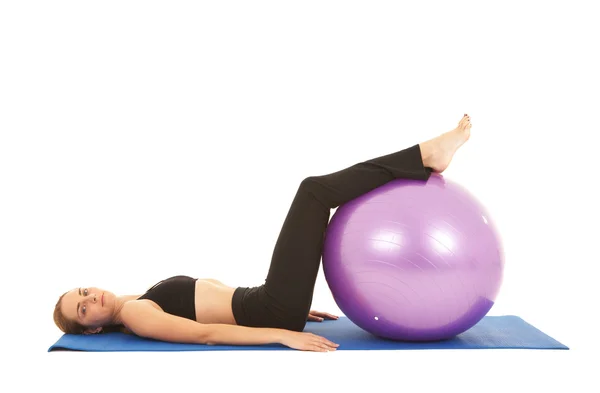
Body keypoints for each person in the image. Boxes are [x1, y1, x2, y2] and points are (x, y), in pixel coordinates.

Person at [53, 114, 472, 352]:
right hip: (270, 310)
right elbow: (206, 333)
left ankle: (420, 158)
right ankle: (423, 155)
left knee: (313, 195)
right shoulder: (135, 314)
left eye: (84, 291)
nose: (92, 298)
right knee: (313, 192)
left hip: (270, 301)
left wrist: (295, 307)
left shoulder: (132, 302)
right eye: (84, 309)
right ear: (90, 329)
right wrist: (281, 332)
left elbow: (212, 307)